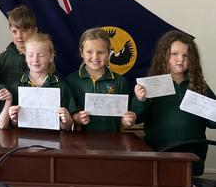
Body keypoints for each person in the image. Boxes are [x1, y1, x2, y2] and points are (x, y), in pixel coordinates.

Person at [132, 30, 216, 175]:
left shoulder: (199, 85)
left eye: (186, 55)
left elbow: (213, 122)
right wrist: (140, 99)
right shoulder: (152, 85)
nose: (180, 60)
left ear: (192, 59)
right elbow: (136, 117)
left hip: (192, 156)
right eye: (174, 54)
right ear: (164, 56)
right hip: (158, 153)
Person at [66, 28, 136, 131]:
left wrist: (128, 120)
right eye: (89, 52)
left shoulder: (120, 82)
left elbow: (125, 121)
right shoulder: (71, 81)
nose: (95, 57)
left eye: (101, 52)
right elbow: (68, 117)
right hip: (80, 143)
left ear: (109, 53)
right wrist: (77, 118)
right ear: (81, 52)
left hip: (112, 141)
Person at [7, 33, 76, 130]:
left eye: (41, 55)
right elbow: (13, 123)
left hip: (53, 142)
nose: (35, 59)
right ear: (25, 57)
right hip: (23, 141)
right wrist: (14, 119)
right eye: (31, 55)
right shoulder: (16, 85)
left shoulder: (61, 85)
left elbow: (67, 126)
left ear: (51, 57)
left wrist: (66, 120)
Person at [0, 5, 37, 95]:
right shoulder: (2, 59)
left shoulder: (41, 56)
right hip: (9, 107)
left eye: (24, 31)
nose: (19, 36)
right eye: (14, 31)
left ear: (34, 30)